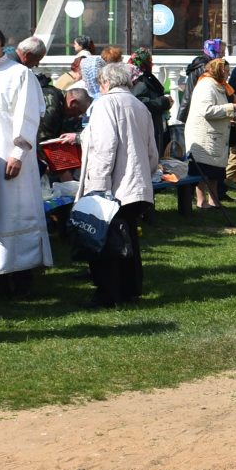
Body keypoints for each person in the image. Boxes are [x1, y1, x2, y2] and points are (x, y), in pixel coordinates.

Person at [0, 22, 51, 293]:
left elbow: (28, 115)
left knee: (15, 212)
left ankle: (22, 278)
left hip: (11, 157)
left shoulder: (20, 74)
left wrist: (18, 152)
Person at [78, 61, 159, 307]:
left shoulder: (105, 104)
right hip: (135, 184)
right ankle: (130, 288)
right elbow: (152, 151)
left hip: (114, 185)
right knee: (128, 236)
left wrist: (99, 187)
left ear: (105, 83)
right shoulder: (139, 106)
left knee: (108, 241)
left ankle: (109, 292)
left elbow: (104, 147)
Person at [183, 57, 236, 208]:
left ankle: (214, 200)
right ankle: (201, 201)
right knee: (202, 171)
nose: (228, 74)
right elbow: (206, 111)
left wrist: (233, 111)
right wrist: (230, 108)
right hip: (204, 136)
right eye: (226, 71)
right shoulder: (206, 85)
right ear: (218, 70)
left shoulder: (217, 85)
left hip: (213, 135)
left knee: (215, 172)